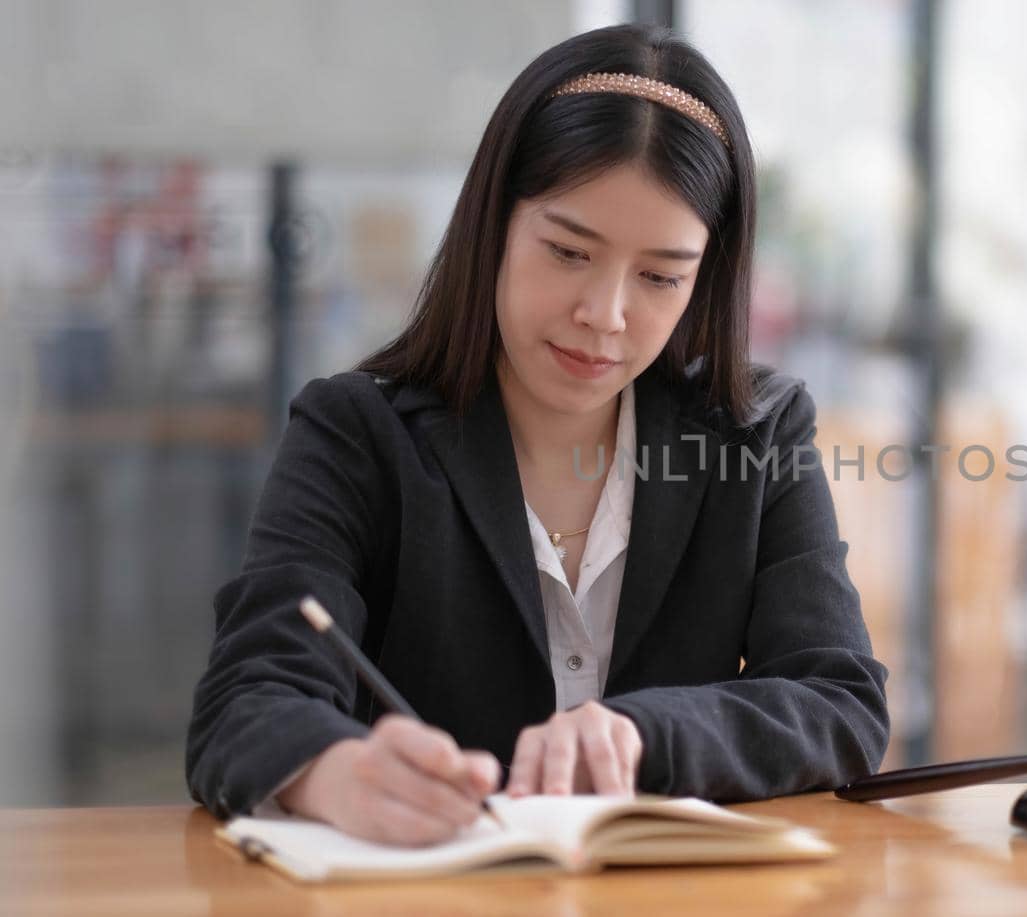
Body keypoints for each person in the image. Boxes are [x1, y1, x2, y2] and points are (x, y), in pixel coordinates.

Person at [185, 23, 890, 847]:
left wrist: (643, 735)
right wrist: (333, 772)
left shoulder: (756, 435)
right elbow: (244, 702)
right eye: (566, 251)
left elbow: (839, 701)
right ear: (495, 225)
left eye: (661, 276)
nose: (607, 315)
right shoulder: (356, 433)